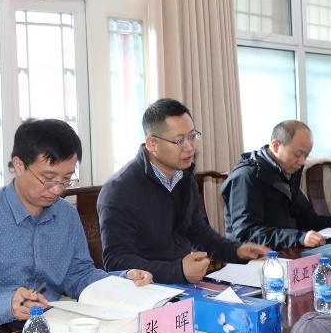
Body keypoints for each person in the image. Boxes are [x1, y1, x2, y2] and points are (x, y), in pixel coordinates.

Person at [0, 118, 152, 329]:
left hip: (52, 329)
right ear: (19, 165)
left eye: (66, 179)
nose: (58, 189)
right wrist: (7, 305)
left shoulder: (66, 215)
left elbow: (78, 275)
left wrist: (122, 280)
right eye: (48, 178)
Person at [98, 98, 268, 283]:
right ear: (152, 144)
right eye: (179, 140)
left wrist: (236, 251)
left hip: (184, 283)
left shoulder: (183, 175)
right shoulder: (119, 190)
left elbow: (197, 230)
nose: (189, 148)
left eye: (192, 136)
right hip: (147, 289)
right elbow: (116, 261)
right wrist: (178, 270)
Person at [221, 120, 331, 249]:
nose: (302, 161)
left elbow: (304, 216)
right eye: (297, 154)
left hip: (285, 250)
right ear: (276, 145)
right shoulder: (247, 176)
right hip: (254, 257)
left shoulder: (287, 171)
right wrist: (299, 238)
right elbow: (246, 234)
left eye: (306, 155)